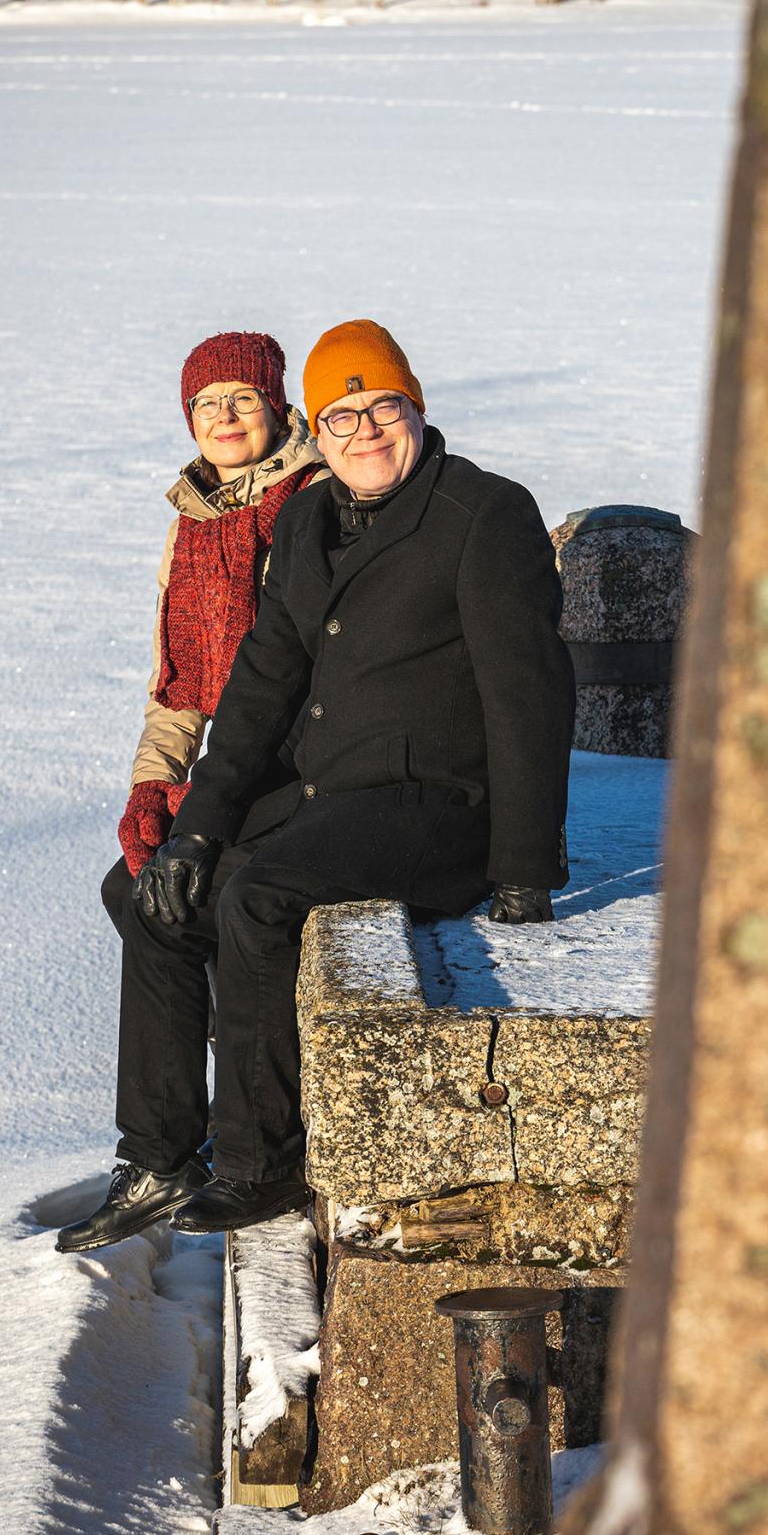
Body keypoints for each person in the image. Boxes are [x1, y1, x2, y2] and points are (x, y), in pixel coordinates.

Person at [61, 317, 574, 1249]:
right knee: (147, 889)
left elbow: (529, 696)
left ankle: (262, 1161)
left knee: (258, 896)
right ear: (318, 428)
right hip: (330, 792)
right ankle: (160, 1153)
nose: (365, 431)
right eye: (342, 415)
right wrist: (197, 827)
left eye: (383, 407)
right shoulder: (308, 518)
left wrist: (524, 867)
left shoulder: (482, 513)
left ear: (414, 408)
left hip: (437, 804)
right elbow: (259, 687)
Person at [57, 329, 323, 1253]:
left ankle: (200, 1152)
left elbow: (295, 678)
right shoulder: (191, 519)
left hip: (303, 764)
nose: (223, 416)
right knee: (132, 886)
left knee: (181, 902)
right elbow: (176, 690)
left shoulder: (311, 501)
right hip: (226, 770)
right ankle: (165, 1154)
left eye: (241, 400)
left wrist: (208, 804)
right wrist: (150, 787)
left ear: (278, 408)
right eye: (206, 403)